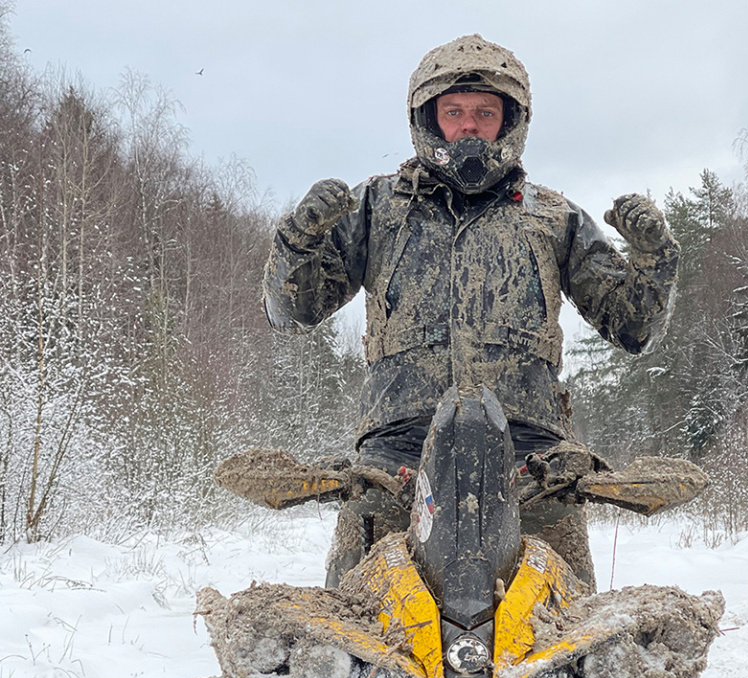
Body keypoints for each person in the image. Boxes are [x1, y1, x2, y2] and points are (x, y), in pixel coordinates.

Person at [263, 34, 679, 588]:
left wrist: (657, 261)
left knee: (566, 631)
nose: (469, 126)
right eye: (454, 111)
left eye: (485, 113)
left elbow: (636, 328)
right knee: (356, 626)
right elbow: (293, 311)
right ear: (429, 120)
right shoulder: (375, 208)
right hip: (395, 460)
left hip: (534, 464)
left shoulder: (554, 218)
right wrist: (297, 242)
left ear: (510, 121)